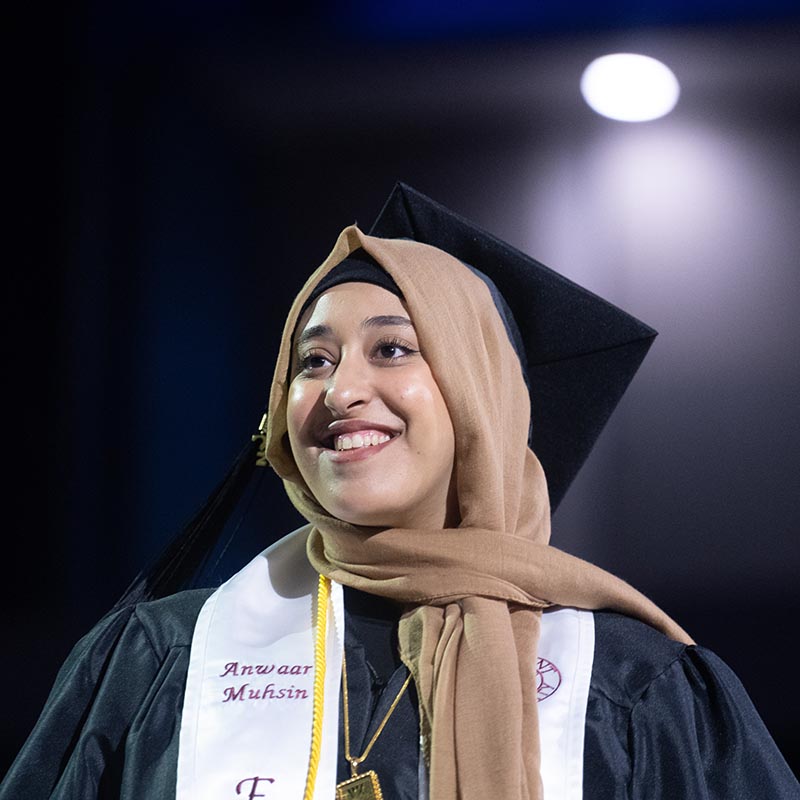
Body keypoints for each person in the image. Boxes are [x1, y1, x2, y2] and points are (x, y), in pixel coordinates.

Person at [1, 183, 797, 800]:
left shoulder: (631, 685)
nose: (341, 389)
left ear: (480, 395)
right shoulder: (161, 661)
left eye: (392, 349)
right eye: (311, 361)